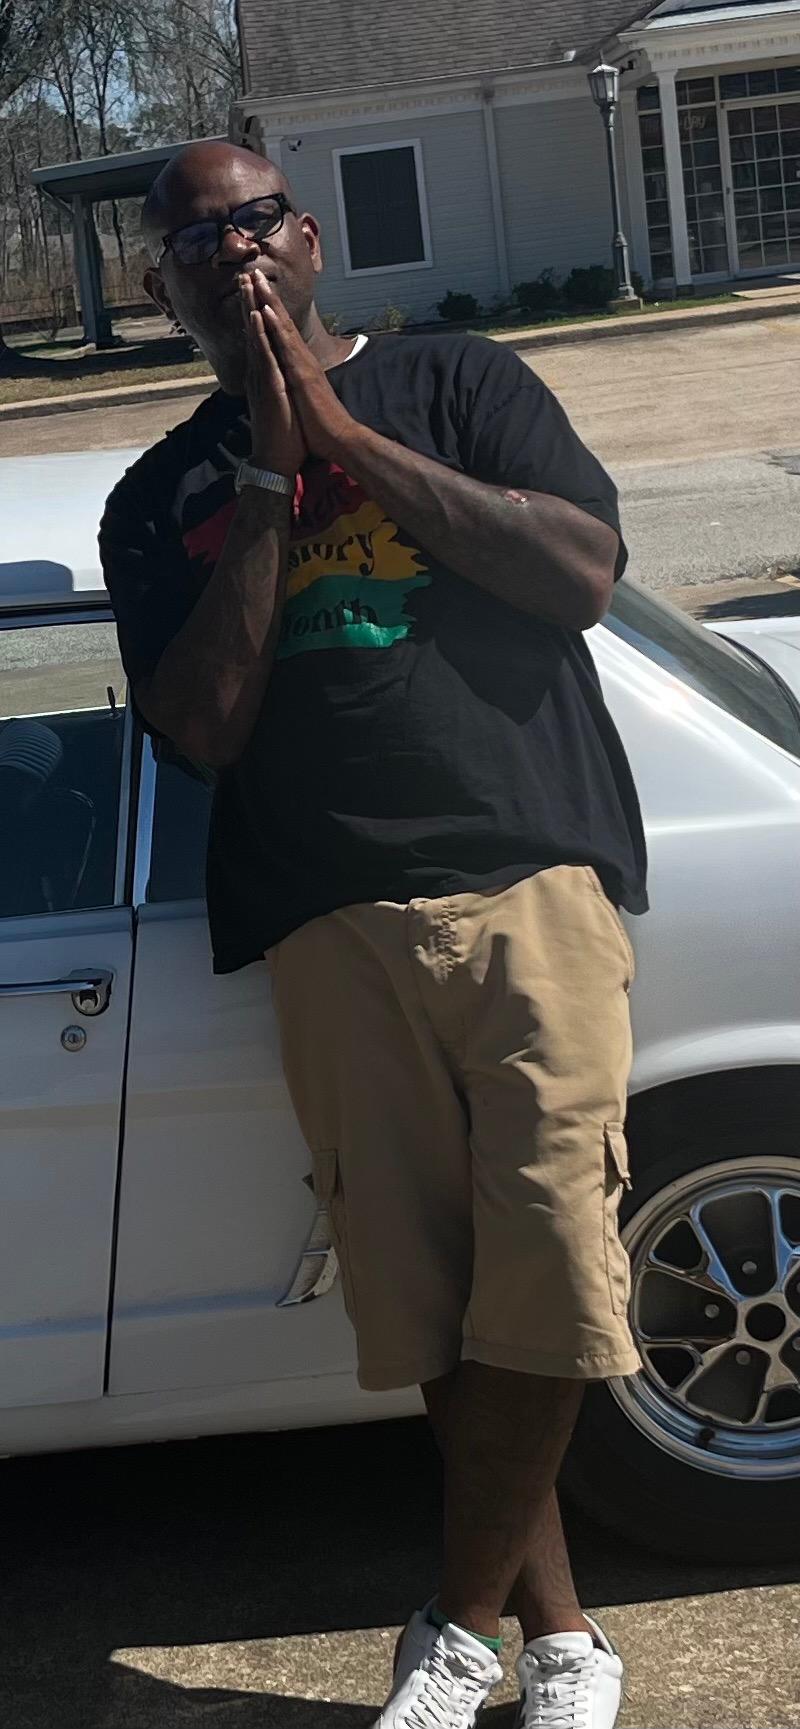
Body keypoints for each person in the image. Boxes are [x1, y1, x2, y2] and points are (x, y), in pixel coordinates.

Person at [101, 139, 648, 1729]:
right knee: (432, 1306)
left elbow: (582, 573)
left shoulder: (459, 382)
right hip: (324, 914)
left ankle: (457, 1628)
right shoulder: (159, 498)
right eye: (193, 240)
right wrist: (272, 481)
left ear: (312, 237)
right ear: (162, 289)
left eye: (254, 218)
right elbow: (202, 723)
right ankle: (563, 1645)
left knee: (553, 1264)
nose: (232, 250)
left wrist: (342, 435)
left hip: (526, 881)